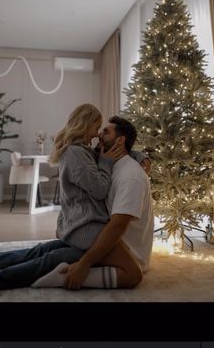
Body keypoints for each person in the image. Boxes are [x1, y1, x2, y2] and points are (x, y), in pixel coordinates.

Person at [0, 103, 123, 290]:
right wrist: (106, 163)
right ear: (85, 124)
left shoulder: (81, 151)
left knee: (44, 251)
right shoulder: (76, 153)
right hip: (86, 233)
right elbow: (99, 189)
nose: (97, 133)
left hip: (80, 228)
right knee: (46, 260)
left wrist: (142, 158)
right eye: (95, 127)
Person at [32, 116, 154, 290]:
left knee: (51, 258)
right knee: (46, 249)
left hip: (124, 253)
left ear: (120, 140)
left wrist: (84, 264)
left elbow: (117, 227)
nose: (98, 135)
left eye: (105, 131)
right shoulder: (106, 162)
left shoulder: (131, 176)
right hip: (102, 241)